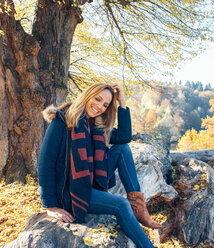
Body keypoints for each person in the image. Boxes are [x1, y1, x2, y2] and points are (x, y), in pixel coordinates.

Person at [37, 82, 161, 248]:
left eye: (105, 104)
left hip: (89, 183)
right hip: (71, 191)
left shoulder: (95, 125)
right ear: (88, 95)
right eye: (97, 99)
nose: (99, 106)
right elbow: (45, 164)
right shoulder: (62, 122)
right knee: (121, 204)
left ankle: (139, 207)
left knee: (122, 149)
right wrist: (50, 206)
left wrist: (122, 103)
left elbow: (124, 137)